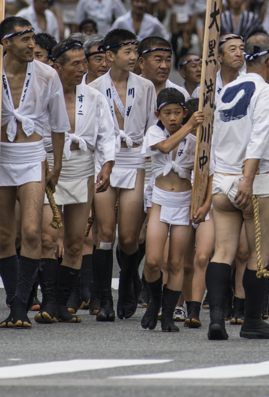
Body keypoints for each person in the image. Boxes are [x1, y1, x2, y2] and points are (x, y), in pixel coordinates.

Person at [206, 32, 269, 340]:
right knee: (259, 253)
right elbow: (260, 136)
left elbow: (217, 137)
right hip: (252, 180)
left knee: (223, 250)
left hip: (223, 177)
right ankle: (252, 320)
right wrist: (248, 178)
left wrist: (222, 176)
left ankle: (217, 318)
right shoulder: (267, 92)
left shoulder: (227, 88)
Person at [0, 17, 70, 329]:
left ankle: (21, 308)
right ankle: (14, 298)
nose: (30, 45)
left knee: (31, 231)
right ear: (6, 43)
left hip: (31, 155)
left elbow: (58, 123)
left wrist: (58, 164)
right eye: (23, 39)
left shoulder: (47, 74)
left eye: (32, 38)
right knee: (2, 236)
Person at [43, 36, 115, 324]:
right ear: (57, 67)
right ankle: (48, 301)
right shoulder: (45, 94)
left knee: (75, 242)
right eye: (75, 64)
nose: (81, 68)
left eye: (84, 62)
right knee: (48, 238)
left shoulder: (94, 96)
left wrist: (107, 166)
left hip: (82, 166)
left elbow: (107, 134)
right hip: (50, 166)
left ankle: (61, 303)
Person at [92, 28, 157, 321]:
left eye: (135, 51)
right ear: (110, 55)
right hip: (105, 157)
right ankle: (104, 298)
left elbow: (150, 129)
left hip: (134, 158)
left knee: (129, 238)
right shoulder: (93, 87)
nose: (133, 57)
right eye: (127, 52)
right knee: (106, 233)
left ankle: (129, 284)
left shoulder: (145, 87)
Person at [141, 88, 203, 332]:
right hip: (159, 200)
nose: (173, 118)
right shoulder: (154, 132)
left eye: (178, 112)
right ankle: (155, 299)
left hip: (184, 201)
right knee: (154, 260)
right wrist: (189, 126)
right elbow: (165, 147)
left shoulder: (195, 139)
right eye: (167, 113)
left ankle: (167, 314)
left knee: (176, 262)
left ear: (184, 112)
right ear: (158, 114)